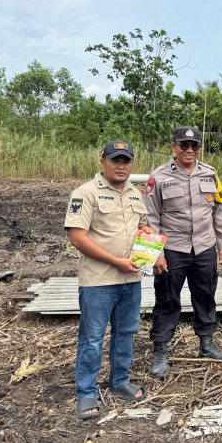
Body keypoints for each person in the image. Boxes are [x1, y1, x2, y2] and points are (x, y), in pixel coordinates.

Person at [65, 141, 149, 420]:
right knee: (92, 338)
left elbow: (142, 227)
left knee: (126, 332)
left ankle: (119, 381)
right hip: (99, 281)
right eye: (115, 160)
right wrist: (115, 261)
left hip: (131, 278)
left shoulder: (135, 194)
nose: (121, 166)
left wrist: (150, 241)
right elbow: (77, 238)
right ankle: (86, 393)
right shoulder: (86, 193)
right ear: (102, 161)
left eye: (126, 161)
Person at [144, 126, 222, 378]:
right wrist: (156, 253)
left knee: (205, 295)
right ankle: (161, 349)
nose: (189, 150)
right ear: (173, 146)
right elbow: (150, 217)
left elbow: (220, 208)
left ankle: (206, 343)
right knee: (167, 299)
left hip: (204, 246)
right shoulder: (159, 177)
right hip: (173, 248)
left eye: (194, 145)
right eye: (184, 145)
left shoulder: (209, 173)